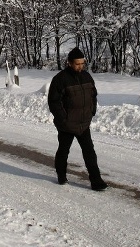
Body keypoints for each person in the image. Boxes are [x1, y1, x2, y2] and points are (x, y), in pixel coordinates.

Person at [47, 47, 108, 191]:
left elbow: (93, 95)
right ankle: (61, 176)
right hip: (66, 125)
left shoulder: (87, 76)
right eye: (77, 64)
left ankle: (96, 181)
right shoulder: (60, 79)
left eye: (82, 64)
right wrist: (63, 119)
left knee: (90, 153)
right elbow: (54, 102)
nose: (80, 66)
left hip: (83, 123)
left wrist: (92, 111)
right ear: (69, 63)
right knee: (63, 151)